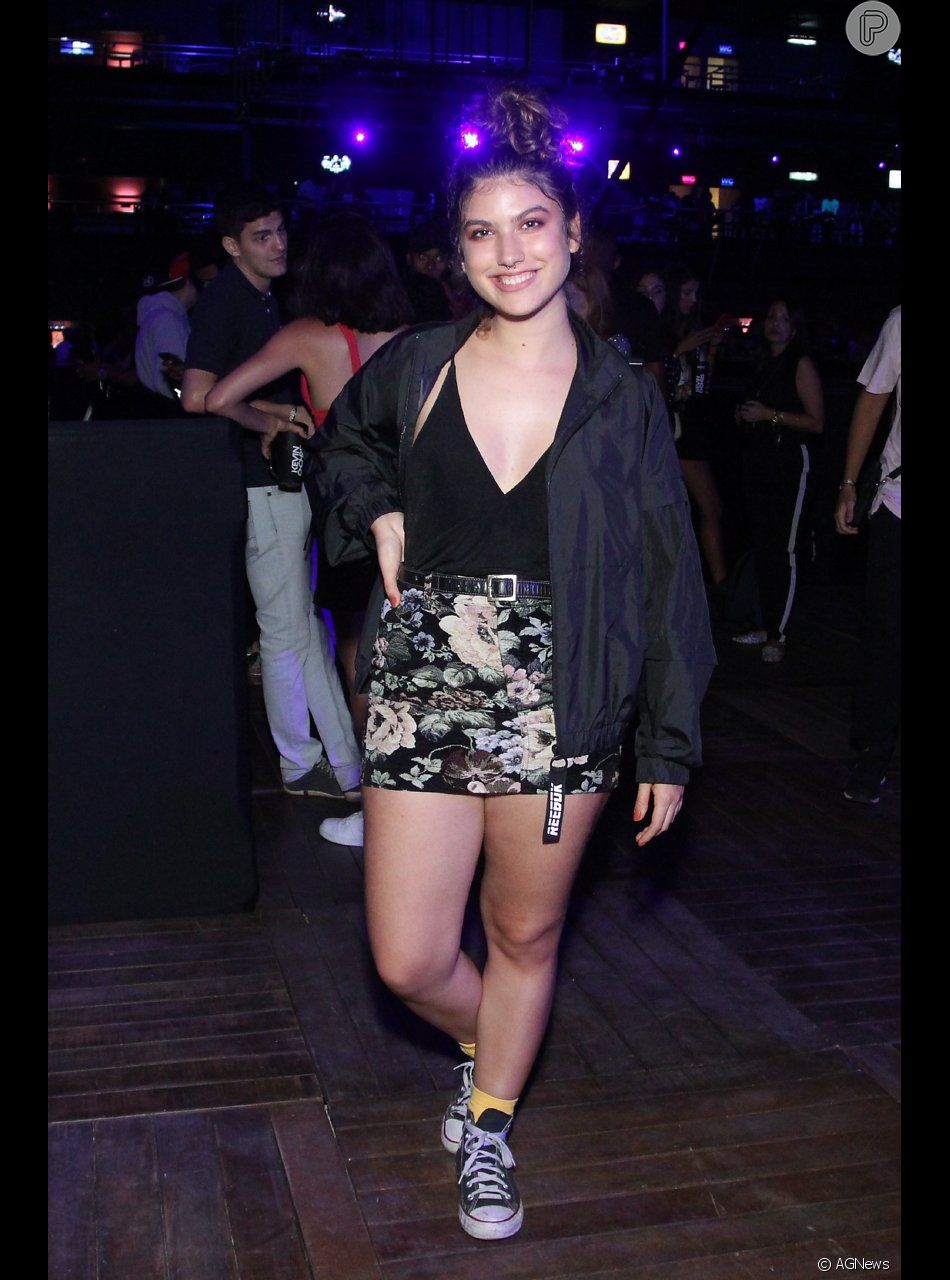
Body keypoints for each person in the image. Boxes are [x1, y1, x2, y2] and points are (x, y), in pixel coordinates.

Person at [314, 86, 715, 1241]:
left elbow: (666, 576)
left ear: (573, 229)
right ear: (454, 250)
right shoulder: (416, 365)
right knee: (405, 956)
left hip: (569, 688)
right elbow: (341, 446)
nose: (508, 252)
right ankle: (486, 1039)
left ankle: (488, 1119)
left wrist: (667, 739)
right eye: (480, 231)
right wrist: (376, 505)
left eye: (531, 223)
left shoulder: (620, 399)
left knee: (523, 936)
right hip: (428, 675)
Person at [207, 211, 414, 846]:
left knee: (358, 659)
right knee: (416, 659)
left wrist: (281, 417)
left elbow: (216, 398)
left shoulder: (306, 335)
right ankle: (424, 802)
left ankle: (379, 814)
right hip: (415, 510)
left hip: (350, 516)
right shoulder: (417, 340)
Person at [183, 183, 362, 802]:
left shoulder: (259, 298)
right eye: (262, 236)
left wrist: (273, 415)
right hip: (260, 485)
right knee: (286, 630)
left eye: (281, 230)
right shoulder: (226, 301)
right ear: (232, 245)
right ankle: (300, 764)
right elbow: (198, 396)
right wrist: (271, 419)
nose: (279, 243)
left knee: (302, 626)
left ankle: (343, 764)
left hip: (279, 483)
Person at [834, 306, 901, 804]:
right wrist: (849, 483)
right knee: (885, 636)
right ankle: (871, 755)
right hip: (899, 504)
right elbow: (873, 398)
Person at [735, 299, 824, 662]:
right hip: (761, 462)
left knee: (785, 549)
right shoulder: (763, 362)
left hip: (789, 463)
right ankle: (766, 623)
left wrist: (770, 415)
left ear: (795, 326)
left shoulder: (800, 363)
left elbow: (816, 422)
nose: (775, 324)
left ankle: (778, 633)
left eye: (784, 319)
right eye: (771, 317)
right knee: (764, 546)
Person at [655, 268, 729, 590]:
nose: (693, 300)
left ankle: (717, 586)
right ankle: (715, 586)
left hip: (692, 426)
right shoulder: (661, 332)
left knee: (709, 509)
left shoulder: (691, 330)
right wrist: (679, 351)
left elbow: (700, 387)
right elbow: (657, 383)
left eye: (696, 293)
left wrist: (710, 351)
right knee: (701, 508)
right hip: (670, 430)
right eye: (687, 292)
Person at [134, 252, 198, 407]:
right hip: (171, 413)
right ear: (188, 282)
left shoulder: (158, 316)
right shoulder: (168, 320)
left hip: (160, 409)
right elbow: (169, 380)